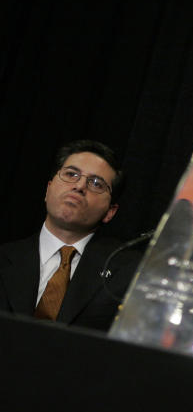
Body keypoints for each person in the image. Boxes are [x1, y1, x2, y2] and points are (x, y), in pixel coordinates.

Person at [0, 139, 142, 331]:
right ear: (48, 188)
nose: (79, 186)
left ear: (110, 212)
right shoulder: (5, 256)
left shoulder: (131, 274)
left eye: (96, 183)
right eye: (71, 174)